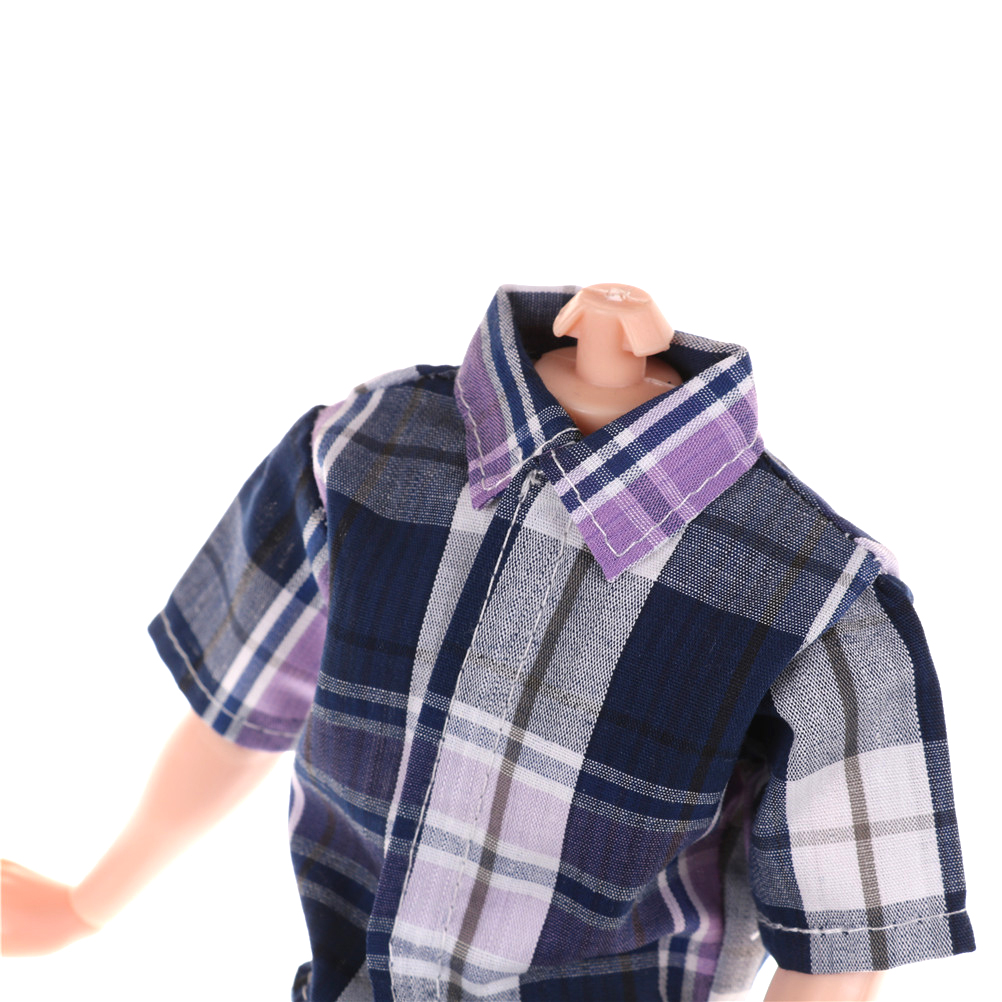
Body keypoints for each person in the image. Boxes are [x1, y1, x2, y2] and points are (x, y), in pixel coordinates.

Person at [1, 285, 974, 1001]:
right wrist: (92, 901)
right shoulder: (361, 453)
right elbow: (241, 710)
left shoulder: (823, 602)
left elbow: (841, 948)